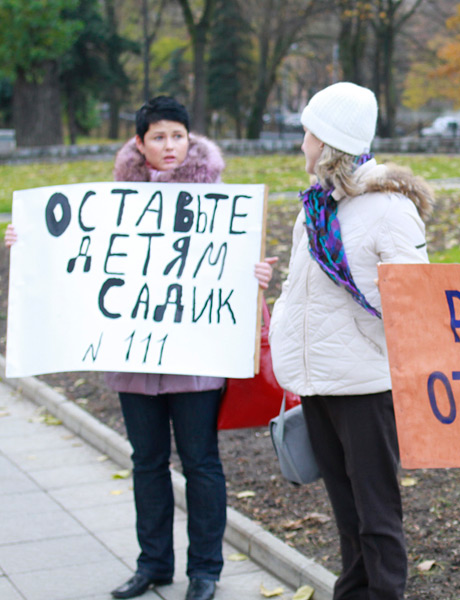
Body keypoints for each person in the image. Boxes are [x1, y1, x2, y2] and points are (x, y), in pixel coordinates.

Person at [6, 96, 276, 600]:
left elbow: (232, 273)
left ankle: (206, 570)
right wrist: (29, 241)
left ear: (190, 139)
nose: (169, 146)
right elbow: (70, 255)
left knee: (201, 463)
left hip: (195, 364)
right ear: (140, 142)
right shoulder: (112, 204)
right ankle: (152, 564)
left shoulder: (219, 202)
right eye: (159, 137)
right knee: (146, 462)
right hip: (133, 362)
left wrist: (256, 276)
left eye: (178, 135)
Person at [268, 82, 433, 600]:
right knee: (346, 515)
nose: (302, 145)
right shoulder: (316, 207)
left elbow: (414, 300)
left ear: (330, 141)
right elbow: (304, 291)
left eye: (309, 134)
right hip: (318, 382)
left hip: (366, 385)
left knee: (377, 516)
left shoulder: (388, 207)